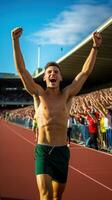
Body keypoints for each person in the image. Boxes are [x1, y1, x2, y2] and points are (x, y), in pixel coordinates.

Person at [11, 27, 102, 200]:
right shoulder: (39, 93)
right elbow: (22, 71)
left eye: (56, 72)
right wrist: (15, 42)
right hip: (43, 151)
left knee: (56, 197)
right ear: (45, 78)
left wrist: (95, 47)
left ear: (60, 77)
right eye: (49, 72)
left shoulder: (67, 94)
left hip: (62, 152)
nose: (52, 74)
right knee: (45, 195)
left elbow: (84, 73)